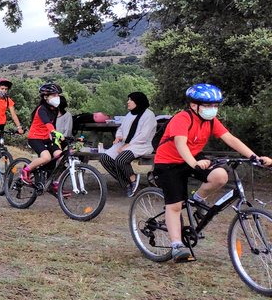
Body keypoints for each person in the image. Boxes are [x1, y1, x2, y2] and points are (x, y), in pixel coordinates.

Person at [152, 83, 272, 262]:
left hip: (193, 159)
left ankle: (197, 200)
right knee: (175, 206)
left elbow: (230, 138)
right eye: (208, 106)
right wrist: (194, 163)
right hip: (169, 162)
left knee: (220, 176)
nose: (213, 109)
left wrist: (255, 157)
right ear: (194, 105)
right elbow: (180, 144)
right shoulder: (182, 118)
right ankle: (177, 245)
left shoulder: (210, 121)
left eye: (215, 106)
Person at [97, 92, 157, 196]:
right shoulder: (130, 114)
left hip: (141, 145)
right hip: (125, 143)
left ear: (137, 101)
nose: (128, 102)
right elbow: (121, 128)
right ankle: (127, 183)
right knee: (104, 158)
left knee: (121, 159)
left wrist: (127, 145)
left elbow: (144, 136)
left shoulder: (149, 115)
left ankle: (132, 180)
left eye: (130, 100)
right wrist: (118, 136)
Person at [20, 82, 63, 183]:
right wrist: (53, 131)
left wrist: (56, 136)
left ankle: (55, 182)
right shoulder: (41, 109)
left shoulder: (55, 109)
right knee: (46, 157)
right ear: (45, 97)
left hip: (47, 138)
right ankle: (26, 171)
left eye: (57, 95)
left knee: (62, 157)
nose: (57, 97)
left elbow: (54, 125)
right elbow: (47, 123)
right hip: (35, 138)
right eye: (54, 95)